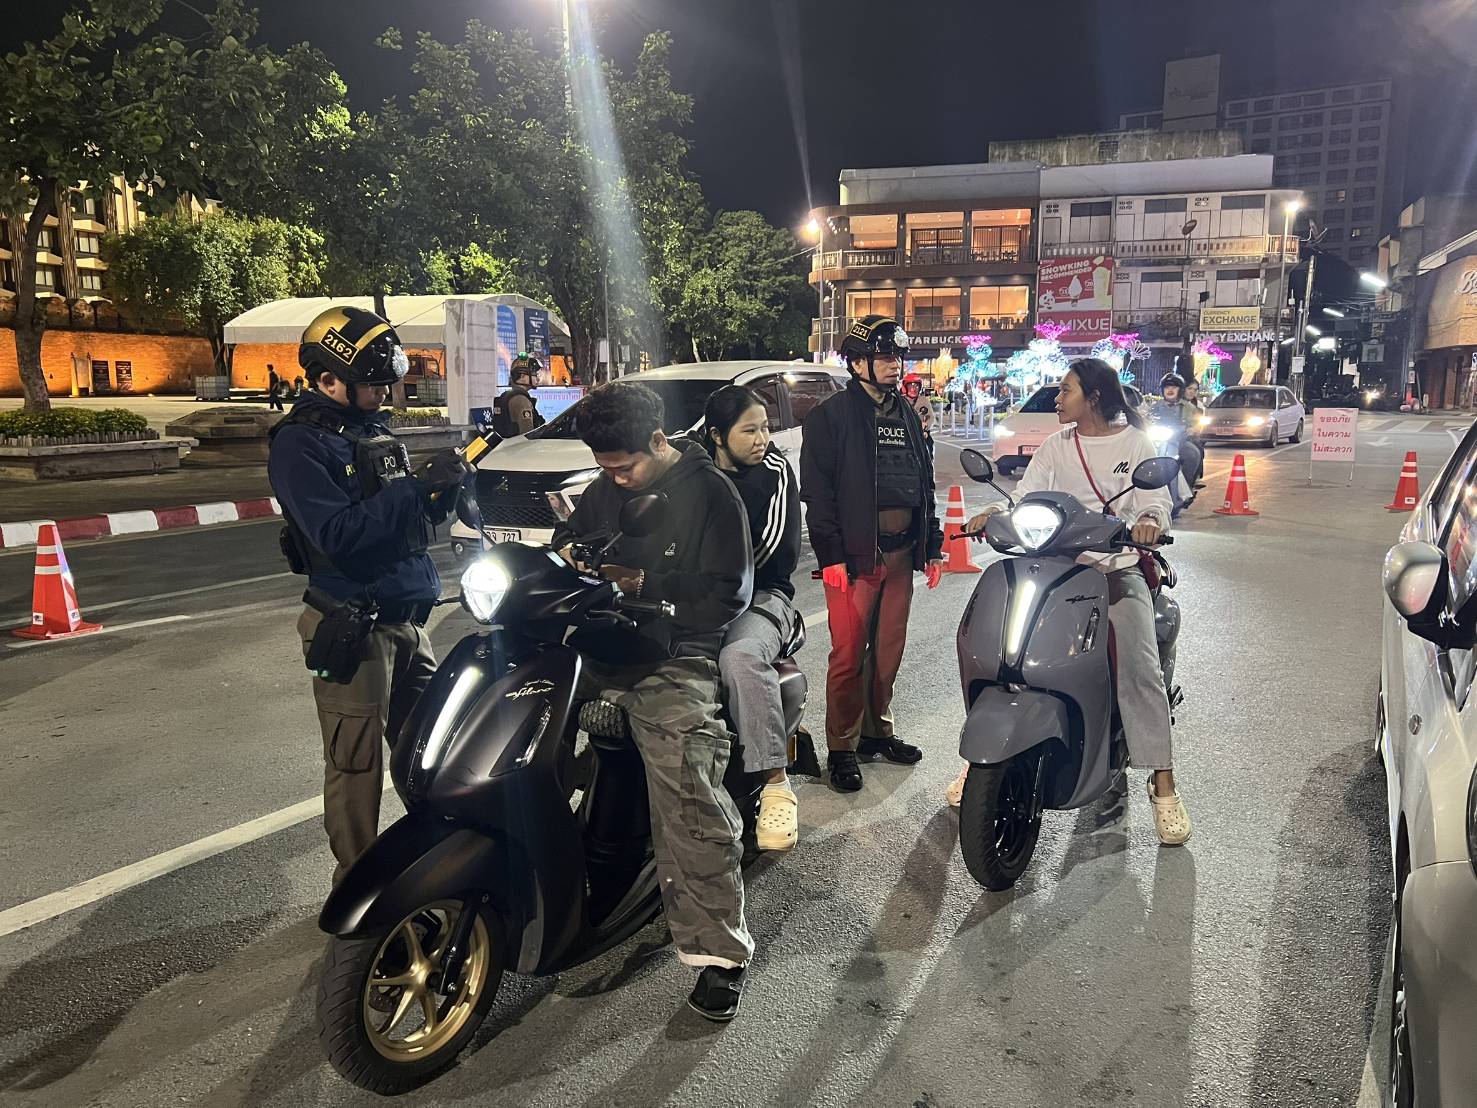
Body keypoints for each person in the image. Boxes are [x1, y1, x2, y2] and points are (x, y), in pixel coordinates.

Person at [552, 380, 756, 1022]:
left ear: (659, 441)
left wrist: (646, 583)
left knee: (686, 784)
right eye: (605, 468)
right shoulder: (603, 489)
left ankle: (719, 953)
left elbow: (727, 593)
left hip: (675, 652)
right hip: (599, 644)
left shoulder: (710, 493)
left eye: (624, 467)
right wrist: (564, 554)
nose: (615, 479)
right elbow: (571, 542)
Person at [267, 305, 471, 885]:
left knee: (431, 746)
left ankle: (438, 861)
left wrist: (440, 493)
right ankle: (358, 888)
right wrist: (412, 490)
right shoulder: (299, 446)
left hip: (407, 620)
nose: (383, 394)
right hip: (353, 625)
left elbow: (404, 525)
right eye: (372, 384)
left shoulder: (369, 432)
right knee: (356, 765)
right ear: (329, 379)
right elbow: (337, 535)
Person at [955, 358, 1191, 846]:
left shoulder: (1134, 444)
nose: (1058, 399)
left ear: (1094, 397)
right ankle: (984, 758)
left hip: (1114, 570)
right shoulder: (1056, 445)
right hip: (1055, 565)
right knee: (1002, 648)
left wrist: (1149, 521)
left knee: (1139, 668)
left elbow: (1155, 501)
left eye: (1066, 391)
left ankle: (1163, 781)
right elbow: (1024, 495)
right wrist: (994, 511)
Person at [800, 315, 944, 793]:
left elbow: (924, 483)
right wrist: (831, 556)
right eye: (884, 356)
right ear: (857, 362)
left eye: (897, 356)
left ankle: (877, 733)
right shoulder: (831, 416)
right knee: (848, 656)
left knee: (887, 653)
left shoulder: (906, 412)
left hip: (903, 556)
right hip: (856, 558)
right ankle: (841, 747)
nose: (894, 364)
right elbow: (818, 495)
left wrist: (933, 545)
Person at [703, 385, 803, 852]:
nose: (762, 438)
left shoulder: (775, 471)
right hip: (697, 595)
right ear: (717, 435)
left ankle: (776, 784)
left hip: (764, 594)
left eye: (765, 428)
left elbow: (770, 551)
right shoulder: (692, 467)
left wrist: (706, 582)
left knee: (740, 657)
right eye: (750, 430)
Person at [492, 353, 545, 438]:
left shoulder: (508, 395)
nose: (537, 378)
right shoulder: (521, 400)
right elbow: (527, 433)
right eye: (534, 374)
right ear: (523, 376)